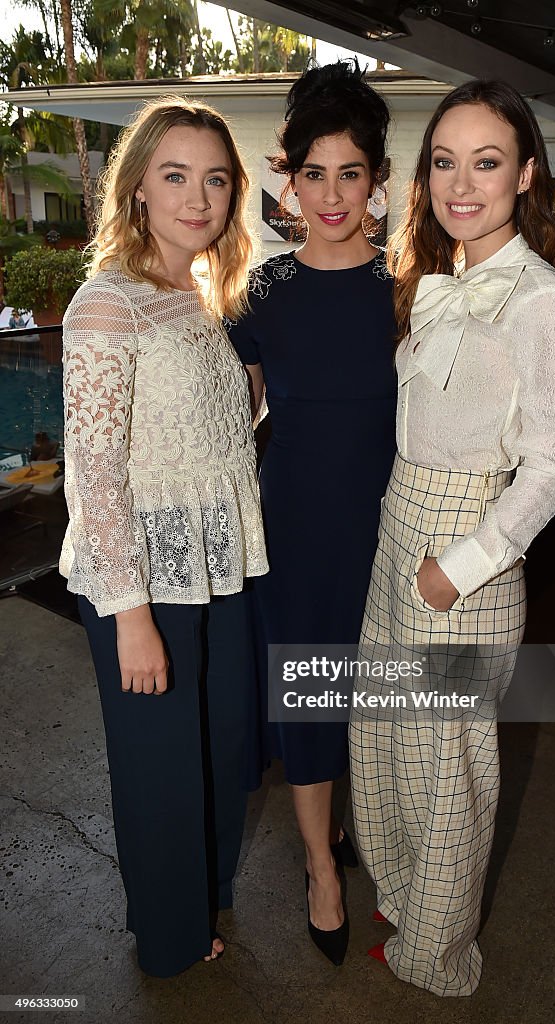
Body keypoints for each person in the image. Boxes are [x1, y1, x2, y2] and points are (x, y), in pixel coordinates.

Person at [349, 79, 555, 996]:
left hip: (468, 556)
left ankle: (438, 955)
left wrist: (464, 565)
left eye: (485, 162)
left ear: (524, 173)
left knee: (448, 768)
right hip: (397, 527)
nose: (461, 183)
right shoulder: (436, 277)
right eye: (444, 161)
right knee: (386, 740)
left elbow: (552, 465)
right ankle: (409, 897)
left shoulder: (540, 302)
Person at [59, 96, 268, 977]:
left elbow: (210, 430)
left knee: (224, 748)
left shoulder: (196, 294)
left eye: (216, 178)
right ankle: (174, 942)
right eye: (176, 175)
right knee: (161, 771)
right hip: (140, 579)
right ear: (138, 186)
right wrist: (130, 614)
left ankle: (206, 890)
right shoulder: (106, 305)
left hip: (216, 567)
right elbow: (95, 473)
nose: (198, 195)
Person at [228, 60, 397, 966]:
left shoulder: (409, 292)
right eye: (313, 173)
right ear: (287, 178)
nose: (331, 196)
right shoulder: (263, 292)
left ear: (377, 183)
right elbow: (236, 409)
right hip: (293, 525)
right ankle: (320, 869)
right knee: (310, 698)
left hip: (391, 524)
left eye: (351, 174)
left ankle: (381, 841)